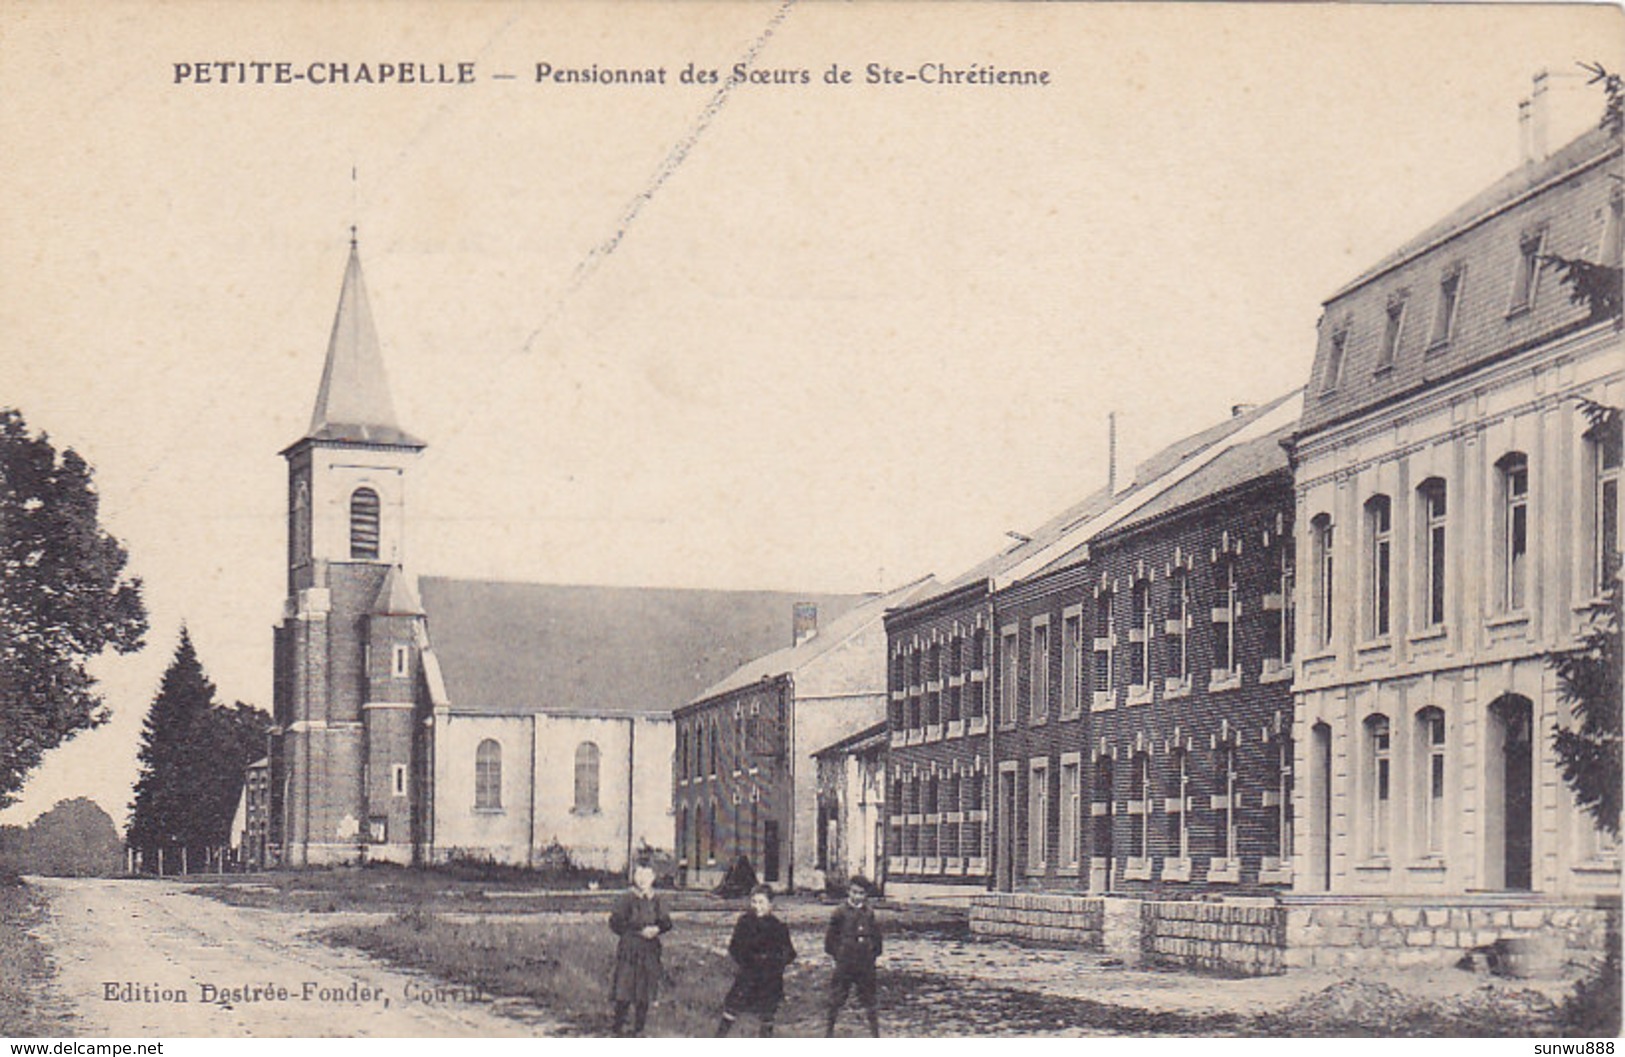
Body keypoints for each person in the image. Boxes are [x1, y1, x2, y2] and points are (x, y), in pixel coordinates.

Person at [717, 884, 797, 1036]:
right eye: (754, 902)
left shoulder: (778, 926)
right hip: (748, 975)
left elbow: (790, 953)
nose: (757, 906)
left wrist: (775, 962)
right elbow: (734, 947)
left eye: (761, 902)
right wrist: (748, 961)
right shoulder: (744, 923)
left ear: (770, 904)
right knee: (732, 1008)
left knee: (767, 1014)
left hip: (769, 978)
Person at [607, 862, 672, 1036]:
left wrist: (657, 929)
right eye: (639, 876)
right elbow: (615, 923)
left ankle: (639, 1029)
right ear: (634, 878)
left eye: (647, 876)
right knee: (625, 987)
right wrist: (636, 931)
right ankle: (618, 1026)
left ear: (653, 878)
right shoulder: (626, 898)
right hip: (629, 949)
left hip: (649, 950)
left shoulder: (657, 899)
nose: (643, 880)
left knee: (644, 989)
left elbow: (666, 922)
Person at [823, 875, 882, 1037]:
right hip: (845, 964)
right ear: (848, 891)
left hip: (865, 965)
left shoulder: (869, 913)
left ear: (866, 895)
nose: (857, 897)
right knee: (837, 998)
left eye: (861, 893)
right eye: (854, 892)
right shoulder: (839, 912)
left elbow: (877, 939)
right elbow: (830, 941)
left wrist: (871, 955)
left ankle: (875, 1034)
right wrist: (840, 955)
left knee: (869, 999)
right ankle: (829, 1032)